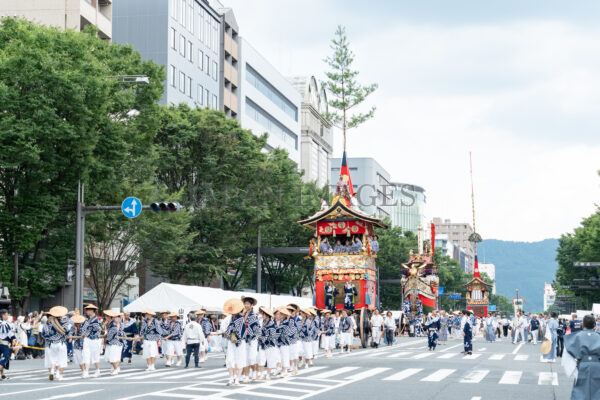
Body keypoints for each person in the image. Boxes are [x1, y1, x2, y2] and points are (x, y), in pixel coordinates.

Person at [563, 314, 600, 399]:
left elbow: (568, 348)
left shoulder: (577, 336)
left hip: (583, 365)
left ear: (582, 325)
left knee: (580, 389)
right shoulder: (598, 336)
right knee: (597, 389)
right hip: (597, 366)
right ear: (594, 325)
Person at [41, 307, 69, 381]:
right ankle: (59, 375)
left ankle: (52, 371)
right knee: (62, 360)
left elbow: (44, 335)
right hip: (61, 343)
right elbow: (67, 333)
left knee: (53, 360)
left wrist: (51, 338)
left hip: (51, 344)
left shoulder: (49, 325)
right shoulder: (64, 323)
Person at [225, 302, 246, 386]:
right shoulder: (231, 318)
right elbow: (227, 329)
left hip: (239, 341)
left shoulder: (240, 318)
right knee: (229, 359)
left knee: (240, 359)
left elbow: (241, 331)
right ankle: (231, 378)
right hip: (231, 340)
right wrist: (230, 333)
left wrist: (233, 333)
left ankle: (237, 378)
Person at [81, 304, 102, 378]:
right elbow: (86, 329)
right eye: (86, 310)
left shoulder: (96, 320)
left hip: (94, 340)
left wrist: (89, 334)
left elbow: (99, 330)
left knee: (95, 356)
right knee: (85, 355)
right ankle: (86, 371)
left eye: (88, 310)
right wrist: (85, 333)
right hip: (87, 339)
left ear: (92, 311)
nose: (86, 311)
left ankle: (97, 370)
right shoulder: (88, 319)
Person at [103, 311, 124, 375]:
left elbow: (110, 335)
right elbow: (104, 330)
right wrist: (104, 325)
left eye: (106, 316)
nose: (105, 317)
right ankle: (116, 368)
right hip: (110, 342)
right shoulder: (109, 324)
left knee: (113, 357)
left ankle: (115, 369)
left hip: (115, 342)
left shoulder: (114, 325)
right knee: (108, 358)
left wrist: (106, 337)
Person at [0, 309, 16, 381]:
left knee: (1, 359)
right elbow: (10, 334)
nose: (8, 316)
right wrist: (14, 339)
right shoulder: (4, 324)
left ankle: (2, 375)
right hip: (3, 344)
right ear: (3, 315)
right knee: (4, 359)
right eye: (7, 314)